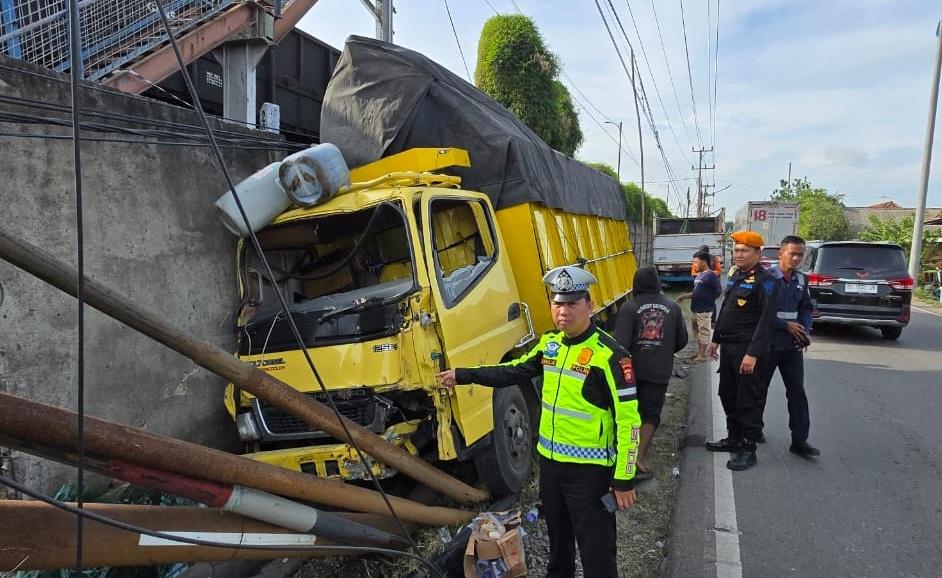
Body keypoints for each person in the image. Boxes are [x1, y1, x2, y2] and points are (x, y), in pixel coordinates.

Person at [438, 266, 639, 578]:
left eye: (572, 304)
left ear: (589, 304)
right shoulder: (550, 345)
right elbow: (510, 371)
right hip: (552, 468)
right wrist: (463, 375)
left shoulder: (610, 355)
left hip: (590, 474)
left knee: (597, 550)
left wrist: (624, 479)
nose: (563, 311)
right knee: (559, 544)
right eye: (558, 304)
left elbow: (630, 420)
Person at [705, 230, 779, 471]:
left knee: (748, 399)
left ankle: (749, 448)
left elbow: (766, 321)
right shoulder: (737, 275)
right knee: (727, 394)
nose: (738, 254)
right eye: (736, 250)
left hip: (748, 350)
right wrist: (715, 338)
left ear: (757, 253)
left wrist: (753, 353)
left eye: (744, 250)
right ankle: (734, 439)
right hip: (729, 347)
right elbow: (727, 307)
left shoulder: (766, 280)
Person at [614, 266, 687, 480]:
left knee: (629, 413)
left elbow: (620, 345)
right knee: (650, 414)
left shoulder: (629, 308)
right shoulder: (673, 308)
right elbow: (681, 340)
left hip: (632, 372)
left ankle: (624, 455)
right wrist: (663, 351)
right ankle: (639, 457)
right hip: (659, 370)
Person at [760, 236, 820, 457]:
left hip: (792, 346)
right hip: (768, 344)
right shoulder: (766, 278)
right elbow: (760, 313)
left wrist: (803, 329)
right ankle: (754, 430)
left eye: (800, 255)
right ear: (781, 253)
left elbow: (806, 308)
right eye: (792, 253)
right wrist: (785, 325)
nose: (796, 258)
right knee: (759, 389)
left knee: (797, 391)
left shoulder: (802, 281)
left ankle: (799, 440)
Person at [677, 254, 723, 362]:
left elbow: (718, 291)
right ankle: (699, 352)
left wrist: (708, 300)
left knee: (704, 332)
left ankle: (701, 356)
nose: (694, 264)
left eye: (696, 262)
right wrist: (684, 296)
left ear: (703, 262)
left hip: (704, 309)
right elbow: (696, 292)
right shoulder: (699, 276)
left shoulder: (711, 275)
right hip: (695, 308)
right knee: (696, 332)